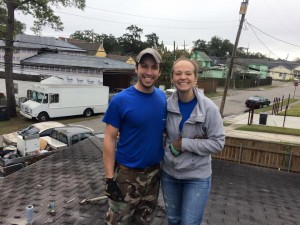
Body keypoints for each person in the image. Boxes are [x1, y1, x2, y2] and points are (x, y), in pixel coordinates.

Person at [102, 48, 167, 225]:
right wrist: (109, 179)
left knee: (144, 222)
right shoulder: (120, 100)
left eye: (154, 67)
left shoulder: (163, 99)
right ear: (136, 69)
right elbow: (109, 138)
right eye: (144, 66)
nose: (149, 72)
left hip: (153, 176)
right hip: (126, 177)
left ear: (159, 71)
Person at [161, 57, 225, 225]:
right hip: (169, 174)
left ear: (196, 78)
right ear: (172, 78)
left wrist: (183, 143)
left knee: (189, 223)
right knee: (173, 220)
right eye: (178, 73)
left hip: (196, 177)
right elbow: (156, 132)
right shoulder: (166, 106)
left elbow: (218, 143)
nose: (183, 77)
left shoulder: (209, 108)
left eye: (188, 73)